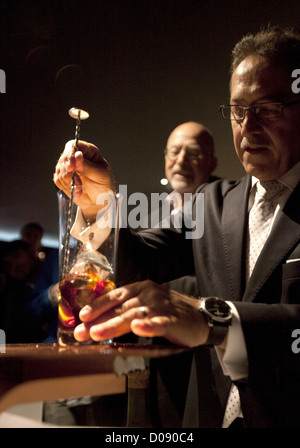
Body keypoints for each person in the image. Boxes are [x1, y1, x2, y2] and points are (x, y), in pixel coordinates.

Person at [54, 25, 300, 428]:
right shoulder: (213, 201)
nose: (248, 126)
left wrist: (214, 319)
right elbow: (143, 260)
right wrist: (100, 201)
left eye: (268, 109)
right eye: (238, 110)